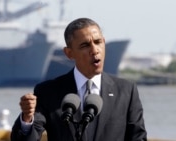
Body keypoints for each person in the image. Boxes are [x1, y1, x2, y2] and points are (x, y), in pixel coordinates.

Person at [11, 17, 147, 141]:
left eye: (98, 42)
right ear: (69, 53)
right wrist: (27, 118)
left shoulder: (126, 91)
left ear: (104, 43)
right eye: (85, 45)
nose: (94, 50)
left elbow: (138, 137)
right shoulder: (48, 91)